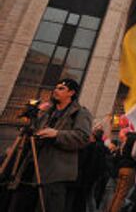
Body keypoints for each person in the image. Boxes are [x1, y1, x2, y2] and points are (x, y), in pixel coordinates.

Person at [9, 78, 93, 212]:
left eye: (61, 88)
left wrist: (57, 134)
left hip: (55, 174)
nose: (56, 90)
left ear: (71, 92)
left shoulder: (80, 113)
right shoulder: (48, 112)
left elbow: (83, 137)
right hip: (32, 168)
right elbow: (36, 132)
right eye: (55, 87)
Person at [108, 127, 136, 212]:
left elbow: (118, 157)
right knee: (122, 195)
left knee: (117, 194)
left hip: (121, 168)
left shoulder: (125, 141)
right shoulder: (135, 138)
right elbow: (135, 154)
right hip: (130, 169)